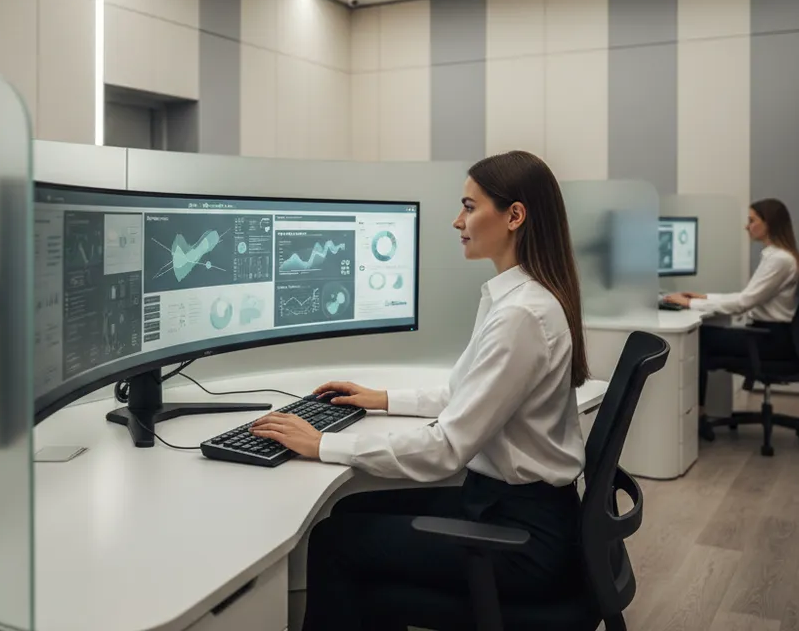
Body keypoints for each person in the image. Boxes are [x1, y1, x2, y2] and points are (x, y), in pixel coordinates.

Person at [251, 150, 589, 631]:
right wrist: (382, 399)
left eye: (470, 207)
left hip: (520, 540)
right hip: (511, 508)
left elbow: (446, 448)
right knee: (347, 511)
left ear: (514, 216)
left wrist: (323, 443)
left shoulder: (521, 316)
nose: (457, 220)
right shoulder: (518, 298)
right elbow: (466, 394)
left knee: (335, 543)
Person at [662, 199, 799, 441]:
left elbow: (745, 302)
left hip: (769, 341)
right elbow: (747, 297)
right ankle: (699, 413)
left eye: (752, 220)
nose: (747, 226)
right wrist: (704, 297)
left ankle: (699, 416)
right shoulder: (779, 257)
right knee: (705, 333)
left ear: (769, 223)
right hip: (771, 336)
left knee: (700, 338)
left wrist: (690, 303)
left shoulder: (780, 260)